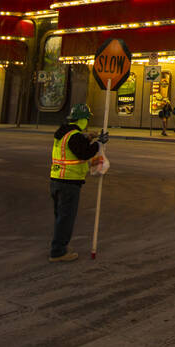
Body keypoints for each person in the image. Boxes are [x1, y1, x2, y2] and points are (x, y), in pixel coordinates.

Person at [49, 103, 107, 263]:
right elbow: (83, 153)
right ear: (82, 120)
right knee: (66, 218)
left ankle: (60, 245)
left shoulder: (63, 133)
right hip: (69, 183)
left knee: (60, 217)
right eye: (87, 119)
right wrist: (98, 144)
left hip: (56, 180)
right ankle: (58, 252)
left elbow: (74, 145)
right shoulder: (74, 136)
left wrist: (88, 138)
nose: (87, 122)